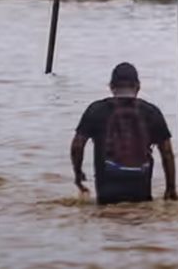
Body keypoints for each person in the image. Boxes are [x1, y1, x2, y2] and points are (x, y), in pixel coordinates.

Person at [72, 61, 172, 205]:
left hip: (107, 194)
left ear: (111, 87)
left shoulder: (96, 110)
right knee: (141, 216)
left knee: (107, 220)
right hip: (140, 192)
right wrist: (170, 188)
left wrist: (78, 175)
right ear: (138, 86)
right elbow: (167, 152)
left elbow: (77, 146)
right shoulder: (151, 112)